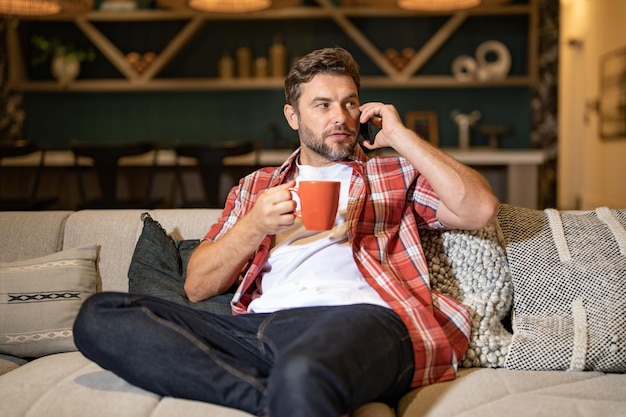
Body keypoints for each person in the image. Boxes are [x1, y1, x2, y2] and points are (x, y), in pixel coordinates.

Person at [73, 47, 499, 417]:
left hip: (362, 320)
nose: (341, 117)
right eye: (323, 105)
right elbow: (198, 286)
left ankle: (297, 388)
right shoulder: (257, 187)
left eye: (350, 103)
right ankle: (283, 397)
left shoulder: (394, 173)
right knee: (100, 317)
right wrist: (254, 224)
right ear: (292, 116)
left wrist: (402, 137)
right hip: (263, 328)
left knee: (304, 370)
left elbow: (480, 208)